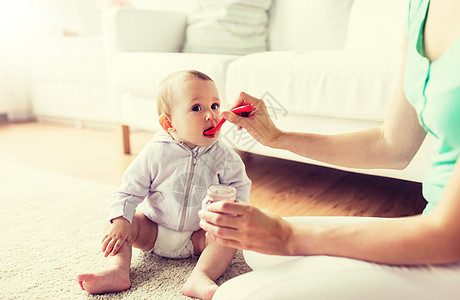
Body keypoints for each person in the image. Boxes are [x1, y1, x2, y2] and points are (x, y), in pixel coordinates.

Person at [199, 0, 460, 299]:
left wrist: (287, 236)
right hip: (433, 222)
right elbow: (391, 145)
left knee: (234, 295)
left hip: (449, 245)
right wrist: (278, 138)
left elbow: (449, 235)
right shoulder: (420, 8)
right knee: (259, 252)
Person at [77, 70, 251, 300]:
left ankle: (201, 276)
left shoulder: (225, 157)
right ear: (169, 123)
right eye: (197, 108)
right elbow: (128, 190)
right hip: (152, 230)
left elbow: (239, 188)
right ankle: (117, 270)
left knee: (227, 238)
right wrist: (120, 220)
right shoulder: (155, 152)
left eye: (215, 105)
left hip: (198, 235)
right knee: (116, 225)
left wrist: (234, 209)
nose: (211, 115)